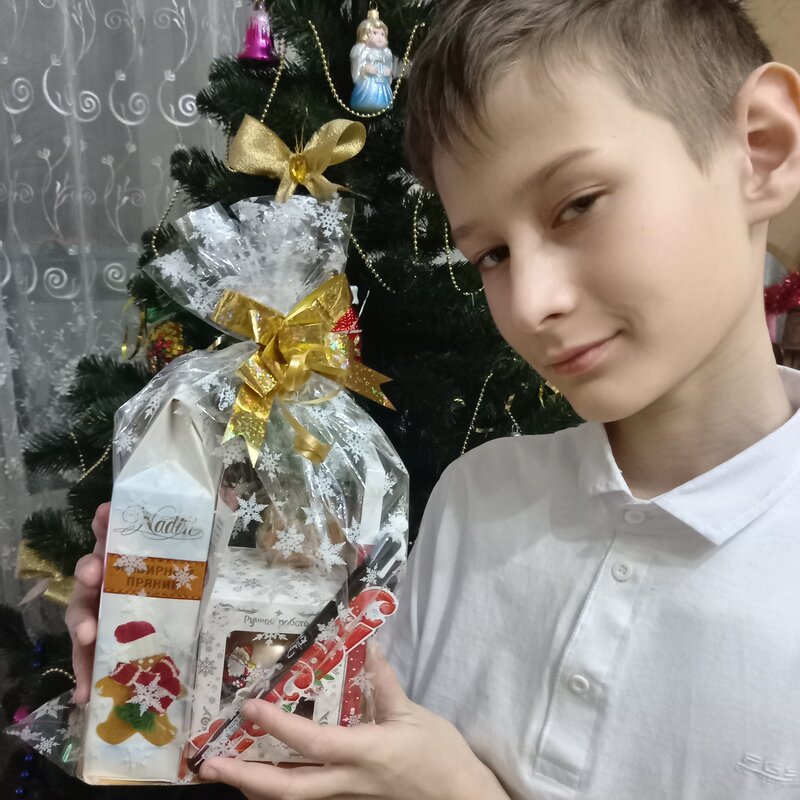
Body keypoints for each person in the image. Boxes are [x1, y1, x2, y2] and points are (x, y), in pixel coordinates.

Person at [67, 0, 800, 797]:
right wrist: (171, 690)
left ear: (760, 148)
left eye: (578, 203)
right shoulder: (478, 499)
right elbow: (350, 762)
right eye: (491, 255)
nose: (531, 304)